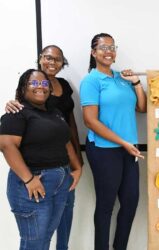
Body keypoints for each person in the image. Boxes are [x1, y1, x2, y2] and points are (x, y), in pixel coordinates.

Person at [5, 45, 83, 250]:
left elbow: (66, 138)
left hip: (61, 179)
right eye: (35, 83)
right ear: (23, 88)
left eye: (44, 83)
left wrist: (77, 167)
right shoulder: (18, 112)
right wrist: (29, 179)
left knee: (44, 239)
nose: (40, 86)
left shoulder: (54, 113)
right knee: (35, 242)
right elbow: (7, 146)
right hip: (33, 183)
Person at [80, 33, 147, 250]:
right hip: (103, 150)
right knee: (106, 205)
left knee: (130, 203)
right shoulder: (91, 81)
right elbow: (90, 121)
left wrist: (136, 83)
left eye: (112, 47)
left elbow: (142, 108)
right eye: (103, 47)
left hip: (129, 149)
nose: (108, 51)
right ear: (93, 52)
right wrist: (123, 142)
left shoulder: (122, 77)